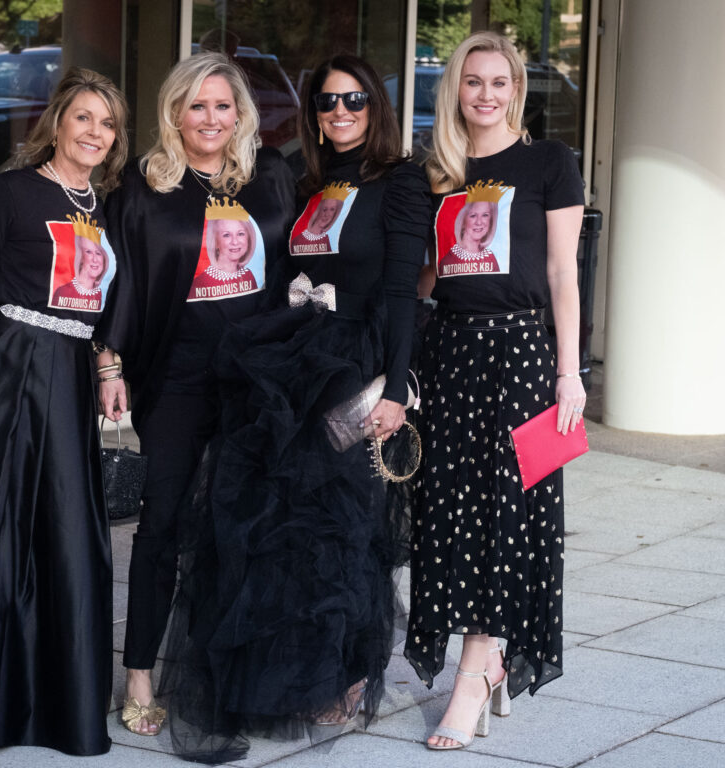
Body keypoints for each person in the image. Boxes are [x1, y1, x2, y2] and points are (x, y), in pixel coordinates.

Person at [158, 54, 431, 762]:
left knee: (343, 532)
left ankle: (344, 674)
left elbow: (403, 292)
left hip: (350, 369)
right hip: (289, 365)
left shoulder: (399, 179)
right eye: (326, 103)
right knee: (280, 535)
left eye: (354, 101)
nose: (339, 113)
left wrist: (396, 389)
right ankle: (284, 677)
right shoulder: (306, 180)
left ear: (377, 107)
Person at [0, 66, 128, 756]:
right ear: (58, 122)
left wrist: (106, 363)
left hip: (68, 376)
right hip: (4, 369)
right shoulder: (10, 193)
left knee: (69, 534)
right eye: (85, 118)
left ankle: (58, 704)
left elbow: (106, 305)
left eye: (108, 123)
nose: (96, 132)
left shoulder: (106, 206)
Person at [95, 52, 295, 738]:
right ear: (174, 112)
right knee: (164, 525)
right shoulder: (142, 187)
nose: (210, 118)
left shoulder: (269, 179)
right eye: (196, 105)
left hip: (255, 378)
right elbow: (120, 282)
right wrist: (110, 365)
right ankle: (141, 672)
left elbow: (298, 269)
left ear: (241, 114)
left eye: (223, 105)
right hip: (177, 376)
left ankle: (225, 669)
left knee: (245, 527)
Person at [404, 31, 586, 751]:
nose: (484, 95)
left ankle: (474, 674)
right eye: (472, 83)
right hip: (450, 352)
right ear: (456, 90)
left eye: (498, 83)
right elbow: (427, 275)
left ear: (516, 88)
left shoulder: (549, 162)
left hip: (520, 353)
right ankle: (490, 661)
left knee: (506, 518)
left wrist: (569, 373)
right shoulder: (438, 169)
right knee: (449, 514)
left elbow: (564, 275)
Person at [187, 212, 260, 300]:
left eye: (240, 234)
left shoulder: (248, 275)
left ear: (249, 239)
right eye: (226, 235)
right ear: (216, 242)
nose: (235, 242)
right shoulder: (200, 282)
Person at [51, 231, 110, 310]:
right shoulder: (64, 292)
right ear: (80, 257)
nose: (95, 259)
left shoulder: (99, 294)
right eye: (88, 252)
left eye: (98, 253)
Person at [438, 198, 499, 274]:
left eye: (485, 215)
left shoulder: (491, 258)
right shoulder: (448, 261)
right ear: (462, 221)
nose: (479, 222)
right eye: (473, 216)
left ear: (491, 221)